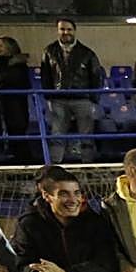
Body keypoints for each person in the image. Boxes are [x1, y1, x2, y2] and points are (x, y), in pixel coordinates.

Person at [40, 18, 103, 163]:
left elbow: (96, 77)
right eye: (62, 29)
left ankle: (88, 165)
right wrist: (48, 97)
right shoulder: (49, 51)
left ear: (74, 31)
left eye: (68, 29)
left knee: (86, 134)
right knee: (57, 134)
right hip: (58, 99)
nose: (65, 32)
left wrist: (94, 100)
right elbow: (46, 77)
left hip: (82, 98)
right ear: (58, 31)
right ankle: (54, 165)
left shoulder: (87, 53)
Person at [0, 35, 33, 163]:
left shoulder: (19, 65)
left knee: (17, 134)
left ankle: (23, 161)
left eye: (0, 45)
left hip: (15, 106)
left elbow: (13, 79)